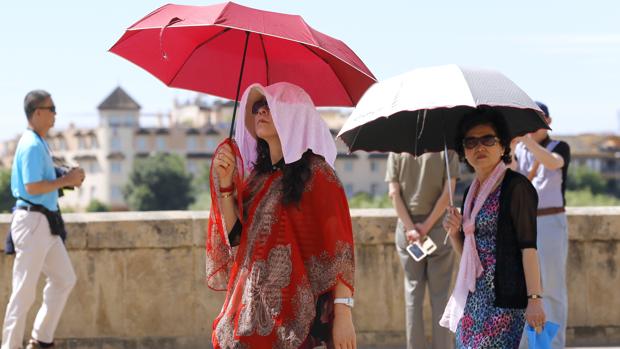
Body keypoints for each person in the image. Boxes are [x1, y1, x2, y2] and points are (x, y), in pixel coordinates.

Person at [206, 82, 356, 349]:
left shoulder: (318, 175)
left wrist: (343, 314)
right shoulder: (258, 178)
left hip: (301, 320)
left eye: (270, 106)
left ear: (294, 115)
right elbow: (239, 242)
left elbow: (340, 249)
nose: (261, 112)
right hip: (251, 315)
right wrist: (227, 184)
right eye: (257, 107)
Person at [440, 108, 546, 349]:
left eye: (488, 139)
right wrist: (456, 231)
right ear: (463, 150)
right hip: (474, 297)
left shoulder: (517, 188)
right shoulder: (470, 193)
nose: (480, 147)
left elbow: (528, 248)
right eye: (471, 142)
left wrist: (535, 299)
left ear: (502, 147)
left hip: (505, 299)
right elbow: (467, 252)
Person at [2, 90, 84, 349]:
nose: (55, 114)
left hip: (43, 224)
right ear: (38, 112)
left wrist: (65, 176)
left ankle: (41, 339)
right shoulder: (31, 144)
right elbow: (33, 186)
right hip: (33, 222)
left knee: (64, 279)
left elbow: (41, 181)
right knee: (23, 293)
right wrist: (67, 180)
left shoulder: (37, 142)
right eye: (52, 109)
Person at [386, 150, 459, 349]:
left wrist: (412, 229)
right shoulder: (446, 149)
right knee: (441, 298)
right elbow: (448, 193)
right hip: (437, 230)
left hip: (408, 234)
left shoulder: (396, 150)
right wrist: (426, 227)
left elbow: (394, 193)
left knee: (413, 296)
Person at [514, 102, 570, 349]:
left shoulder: (560, 147)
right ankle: (529, 343)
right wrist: (514, 145)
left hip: (550, 220)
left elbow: (553, 163)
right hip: (525, 222)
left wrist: (527, 142)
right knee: (526, 288)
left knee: (553, 288)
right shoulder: (520, 151)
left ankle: (554, 345)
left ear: (548, 122)